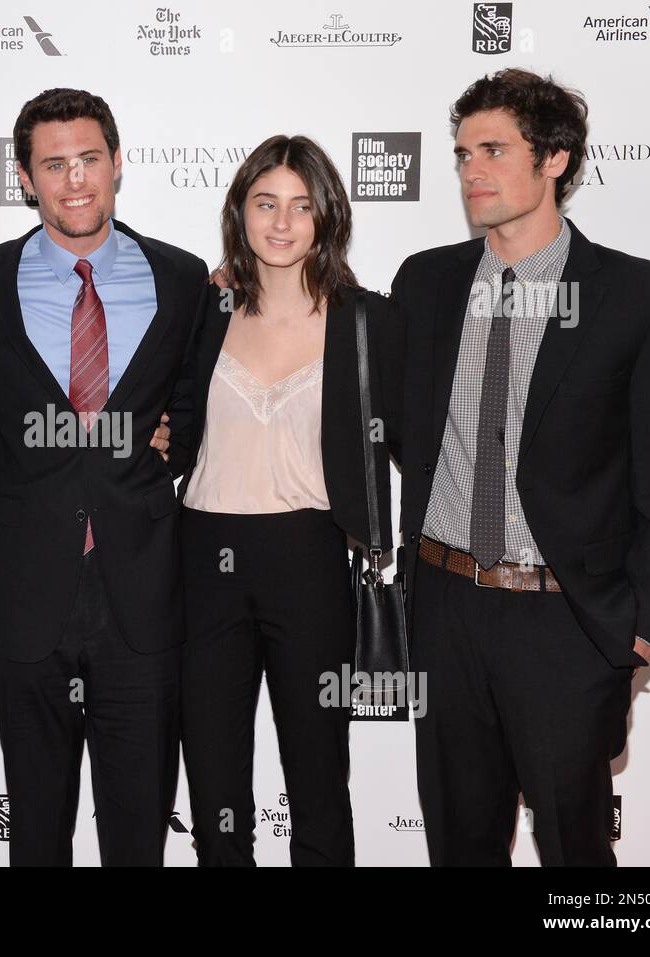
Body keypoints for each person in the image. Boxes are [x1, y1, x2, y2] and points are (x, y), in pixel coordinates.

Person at [390, 68, 650, 865]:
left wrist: (639, 634)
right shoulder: (425, 282)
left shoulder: (639, 298)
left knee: (575, 853)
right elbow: (386, 413)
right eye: (463, 152)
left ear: (556, 159)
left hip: (565, 620)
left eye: (494, 150)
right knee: (460, 845)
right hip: (445, 607)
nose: (471, 170)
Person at [0, 88, 207, 865]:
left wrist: (169, 441)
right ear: (26, 178)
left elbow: (196, 410)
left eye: (88, 159)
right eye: (54, 164)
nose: (75, 179)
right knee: (37, 833)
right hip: (27, 599)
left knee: (137, 834)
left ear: (117, 164)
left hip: (145, 598)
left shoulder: (183, 280)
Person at [175, 135, 402, 866]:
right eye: (265, 203)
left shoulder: (364, 321)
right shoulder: (202, 311)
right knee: (214, 785)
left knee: (318, 780)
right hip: (203, 559)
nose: (281, 222)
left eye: (301, 206)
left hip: (309, 559)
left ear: (326, 217)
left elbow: (418, 439)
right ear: (239, 212)